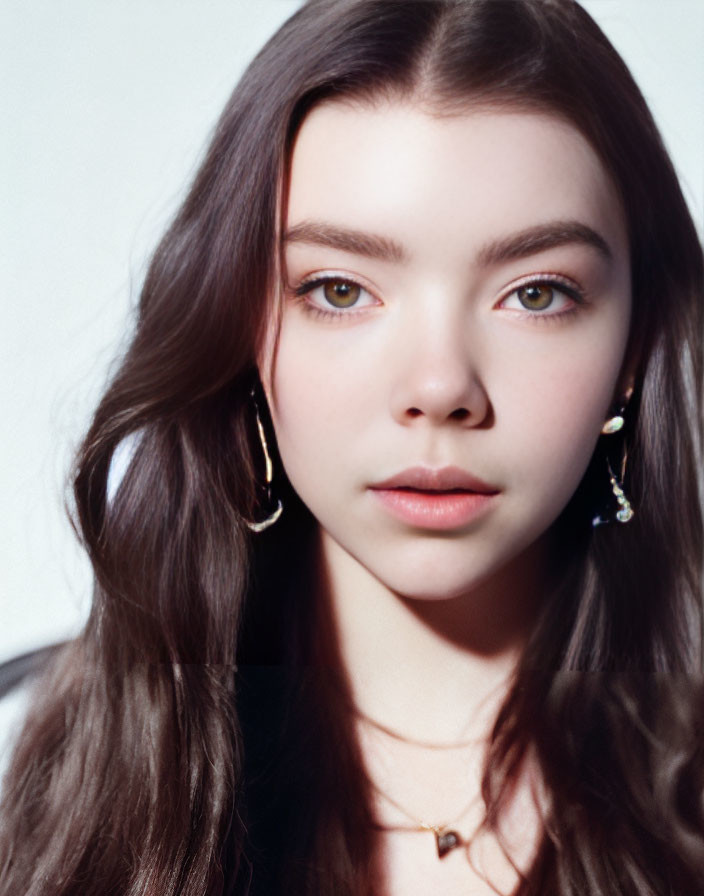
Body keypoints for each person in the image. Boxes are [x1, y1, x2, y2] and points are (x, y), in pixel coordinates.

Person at [1, 0, 703, 893]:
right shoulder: (25, 765)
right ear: (242, 331)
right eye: (339, 289)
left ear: (635, 350)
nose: (440, 388)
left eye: (535, 293)